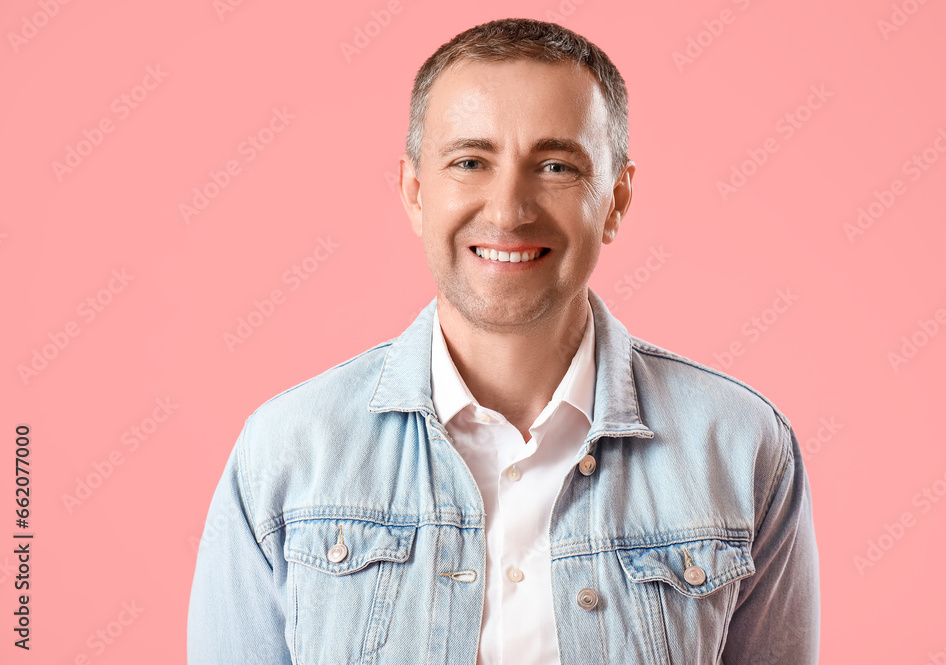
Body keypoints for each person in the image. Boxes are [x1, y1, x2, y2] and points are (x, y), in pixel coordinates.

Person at [187, 17, 820, 664]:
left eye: (554, 165)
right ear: (414, 191)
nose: (508, 209)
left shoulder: (743, 445)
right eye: (470, 162)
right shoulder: (287, 451)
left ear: (617, 199)